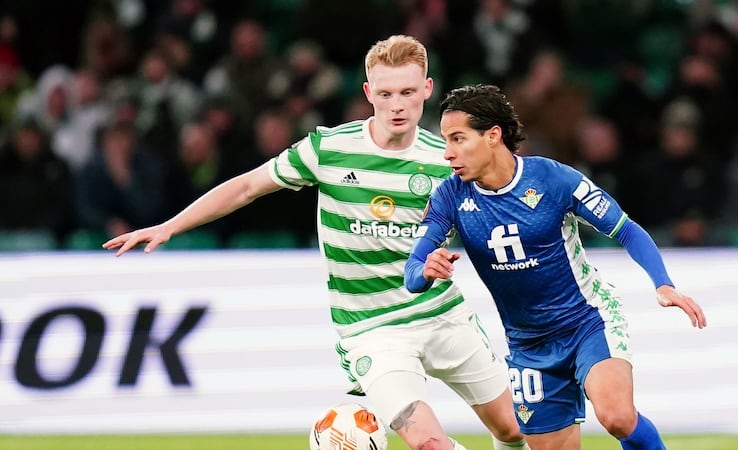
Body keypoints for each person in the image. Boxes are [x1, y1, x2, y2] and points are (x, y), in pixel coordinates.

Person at [103, 35, 527, 450]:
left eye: (407, 92)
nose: (397, 104)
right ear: (367, 92)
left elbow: (501, 214)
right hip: (372, 330)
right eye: (385, 93)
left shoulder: (446, 159)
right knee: (429, 443)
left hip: (440, 314)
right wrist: (171, 225)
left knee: (513, 430)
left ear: (427, 90)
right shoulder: (328, 149)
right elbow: (248, 186)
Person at [405, 84, 707, 450]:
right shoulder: (449, 196)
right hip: (528, 345)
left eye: (457, 138)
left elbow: (626, 229)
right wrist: (427, 269)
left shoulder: (552, 180)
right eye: (445, 140)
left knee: (616, 416)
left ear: (492, 136)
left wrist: (663, 283)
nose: (448, 153)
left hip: (587, 321)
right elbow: (413, 272)